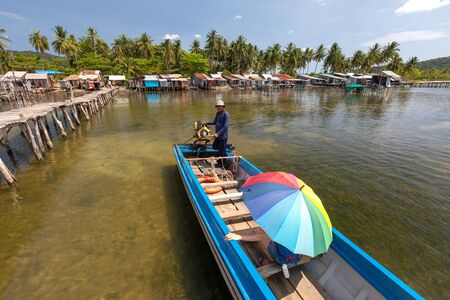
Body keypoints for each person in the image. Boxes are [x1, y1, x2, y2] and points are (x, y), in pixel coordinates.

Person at [225, 231, 302, 266]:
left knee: (262, 235)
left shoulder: (287, 228)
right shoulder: (301, 230)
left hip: (283, 259)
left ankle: (270, 259)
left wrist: (238, 237)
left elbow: (262, 236)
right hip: (297, 257)